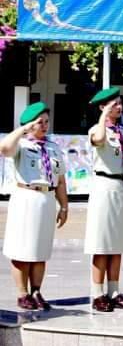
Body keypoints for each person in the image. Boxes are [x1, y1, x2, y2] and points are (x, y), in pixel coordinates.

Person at [0, 102, 69, 310]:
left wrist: (64, 206)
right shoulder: (21, 145)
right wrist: (23, 130)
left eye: (47, 121)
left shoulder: (53, 147)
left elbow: (61, 180)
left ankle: (36, 291)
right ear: (29, 124)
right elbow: (4, 149)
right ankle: (22, 293)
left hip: (47, 198)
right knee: (22, 249)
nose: (45, 126)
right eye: (40, 122)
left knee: (40, 249)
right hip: (26, 197)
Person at [85, 87, 123, 312]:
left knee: (118, 244)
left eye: (119, 103)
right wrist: (103, 117)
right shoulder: (97, 130)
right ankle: (97, 293)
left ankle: (114, 291)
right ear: (102, 107)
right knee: (102, 243)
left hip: (121, 186)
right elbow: (98, 140)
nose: (119, 107)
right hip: (104, 186)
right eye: (114, 104)